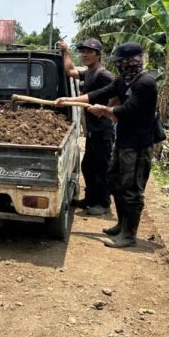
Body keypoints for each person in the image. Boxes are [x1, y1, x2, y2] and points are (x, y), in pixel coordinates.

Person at [55, 42, 157, 248]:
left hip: (138, 145)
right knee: (114, 180)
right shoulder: (124, 80)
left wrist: (104, 110)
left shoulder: (145, 83)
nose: (119, 66)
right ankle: (121, 224)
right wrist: (70, 99)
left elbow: (128, 110)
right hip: (124, 141)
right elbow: (99, 93)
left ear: (132, 61)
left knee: (132, 190)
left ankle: (128, 235)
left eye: (122, 62)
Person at [59, 39, 115, 216]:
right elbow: (70, 71)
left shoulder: (103, 74)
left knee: (101, 168)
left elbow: (119, 91)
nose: (85, 55)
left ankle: (104, 203)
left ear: (98, 54)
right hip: (92, 130)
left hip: (102, 129)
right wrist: (65, 51)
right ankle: (90, 199)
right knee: (88, 166)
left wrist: (107, 110)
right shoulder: (89, 72)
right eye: (83, 51)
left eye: (89, 52)